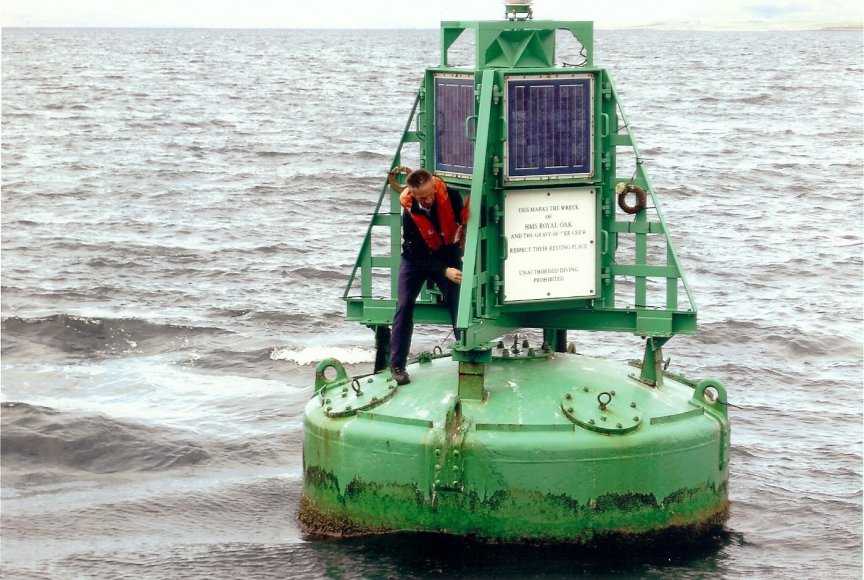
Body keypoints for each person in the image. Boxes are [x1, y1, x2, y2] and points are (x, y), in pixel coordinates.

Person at [389, 168, 467, 385]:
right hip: (416, 260)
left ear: (434, 185)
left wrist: (459, 258)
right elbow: (416, 255)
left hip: (447, 253)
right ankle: (397, 365)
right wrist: (443, 271)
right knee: (404, 306)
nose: (429, 199)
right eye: (423, 197)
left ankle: (467, 355)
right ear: (413, 194)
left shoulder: (450, 195)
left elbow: (462, 226)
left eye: (431, 194)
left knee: (456, 301)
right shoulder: (410, 212)